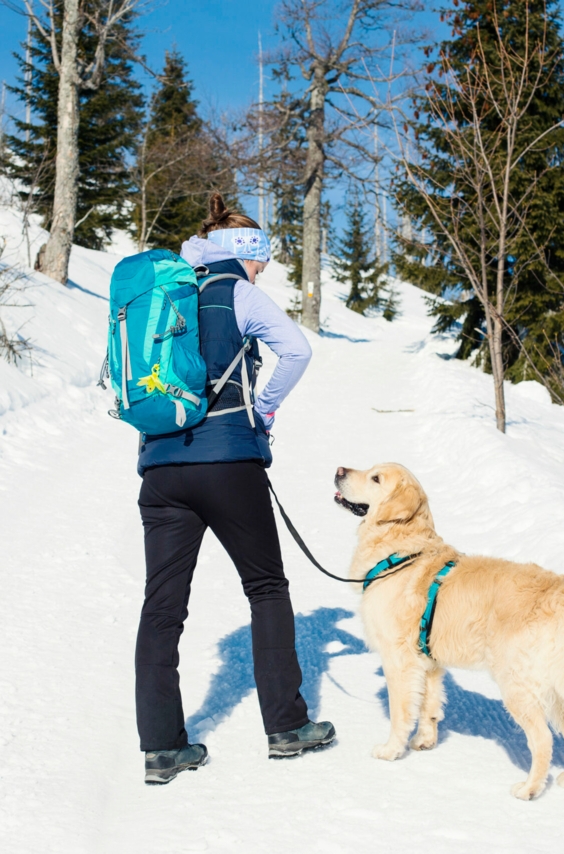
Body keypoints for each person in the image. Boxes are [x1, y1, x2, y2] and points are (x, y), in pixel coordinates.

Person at [135, 193, 335, 785]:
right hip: (228, 462)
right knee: (267, 587)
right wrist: (263, 412)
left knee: (162, 606)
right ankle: (286, 727)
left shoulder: (160, 294)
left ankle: (162, 747)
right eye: (262, 261)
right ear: (243, 255)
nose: (263, 271)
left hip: (160, 468)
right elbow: (296, 350)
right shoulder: (237, 293)